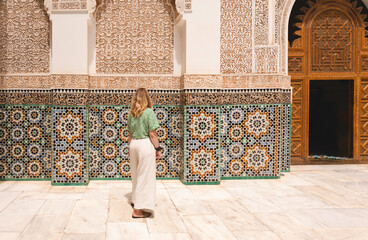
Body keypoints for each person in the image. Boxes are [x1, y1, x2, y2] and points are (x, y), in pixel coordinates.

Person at [127, 88, 162, 218]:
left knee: (136, 174)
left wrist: (130, 148)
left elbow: (129, 134)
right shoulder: (148, 112)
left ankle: (135, 200)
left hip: (134, 144)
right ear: (147, 98)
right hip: (144, 144)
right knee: (144, 176)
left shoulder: (131, 113)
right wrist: (158, 149)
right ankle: (137, 211)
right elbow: (152, 134)